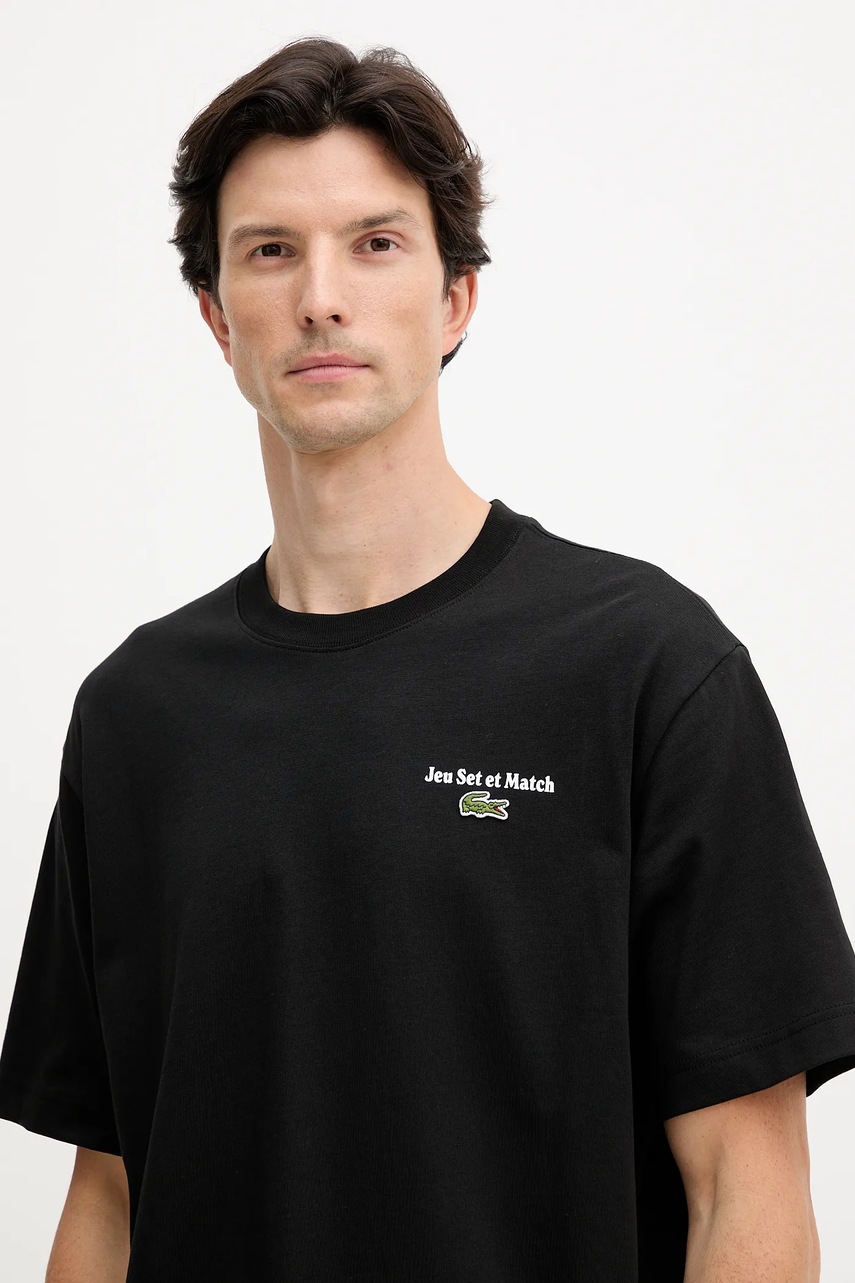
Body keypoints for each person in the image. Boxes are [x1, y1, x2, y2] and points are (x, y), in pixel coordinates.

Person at [1, 35, 854, 1283]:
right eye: (270, 250)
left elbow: (748, 1189)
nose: (321, 297)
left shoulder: (647, 671)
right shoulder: (137, 714)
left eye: (376, 243)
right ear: (215, 315)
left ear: (456, 298)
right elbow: (111, 1193)